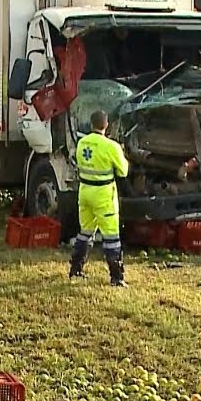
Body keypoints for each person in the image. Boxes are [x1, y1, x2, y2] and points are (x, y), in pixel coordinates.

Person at [69, 109, 130, 287]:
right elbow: (123, 171)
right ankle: (116, 278)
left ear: (91, 124)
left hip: (85, 191)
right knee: (111, 237)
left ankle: (76, 269)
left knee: (85, 232)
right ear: (107, 125)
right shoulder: (111, 146)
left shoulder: (82, 143)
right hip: (103, 194)